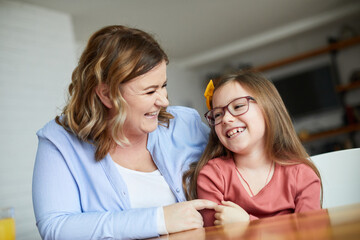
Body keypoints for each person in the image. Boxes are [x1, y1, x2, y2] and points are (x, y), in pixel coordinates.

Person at [32, 25, 217, 240]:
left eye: (163, 85)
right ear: (107, 95)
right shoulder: (59, 141)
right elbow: (56, 228)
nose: (164, 101)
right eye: (149, 91)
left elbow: (242, 167)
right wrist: (159, 219)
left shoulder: (185, 123)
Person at [183, 70, 322, 227]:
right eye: (217, 115)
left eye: (238, 106)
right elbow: (216, 236)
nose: (226, 119)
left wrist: (248, 224)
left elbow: (312, 233)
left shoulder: (302, 174)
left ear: (268, 108)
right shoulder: (212, 176)